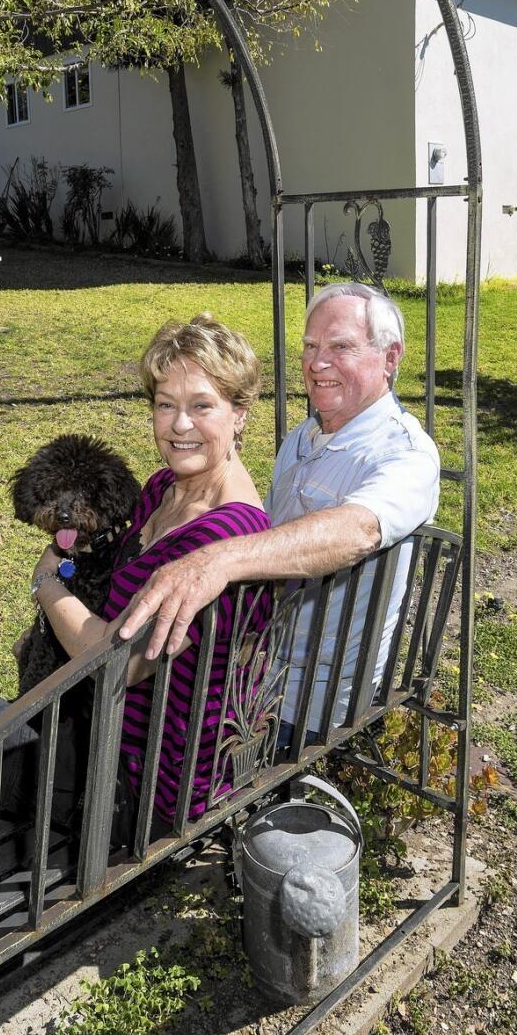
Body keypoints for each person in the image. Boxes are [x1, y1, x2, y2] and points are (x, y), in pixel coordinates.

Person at [0, 313, 270, 843]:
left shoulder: (223, 537)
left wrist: (46, 584)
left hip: (133, 784)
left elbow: (117, 662)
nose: (179, 425)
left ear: (240, 413)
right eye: (165, 404)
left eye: (202, 405)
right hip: (90, 728)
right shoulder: (166, 489)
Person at [116, 283, 440, 738]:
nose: (317, 362)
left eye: (341, 347)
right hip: (253, 672)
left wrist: (217, 560)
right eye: (310, 346)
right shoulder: (303, 438)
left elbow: (358, 530)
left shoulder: (405, 455)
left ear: (390, 358)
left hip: (309, 700)